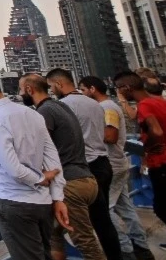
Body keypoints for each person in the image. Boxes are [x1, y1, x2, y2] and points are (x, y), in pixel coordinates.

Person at [0, 66, 69, 260]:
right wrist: (57, 197)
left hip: (14, 202)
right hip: (43, 203)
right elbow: (53, 159)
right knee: (44, 254)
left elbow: (14, 169)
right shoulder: (32, 114)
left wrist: (39, 178)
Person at [19, 74, 104, 260]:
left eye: (20, 89)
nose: (19, 94)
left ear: (29, 90)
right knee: (53, 236)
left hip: (70, 185)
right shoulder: (61, 106)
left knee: (85, 241)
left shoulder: (44, 113)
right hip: (86, 178)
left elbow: (39, 149)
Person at [47, 69, 123, 260]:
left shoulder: (61, 106)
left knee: (78, 231)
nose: (50, 90)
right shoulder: (97, 104)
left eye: (51, 86)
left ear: (58, 84)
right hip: (103, 164)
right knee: (103, 221)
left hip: (82, 168)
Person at [79, 76, 153, 260]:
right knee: (126, 208)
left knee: (106, 210)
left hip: (111, 163)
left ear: (92, 89)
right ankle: (141, 247)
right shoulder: (107, 107)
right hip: (117, 163)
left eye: (82, 89)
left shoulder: (107, 108)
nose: (81, 93)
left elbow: (111, 136)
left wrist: (87, 136)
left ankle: (125, 249)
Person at [114, 71, 166, 231]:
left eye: (119, 89)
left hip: (160, 161)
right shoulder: (159, 101)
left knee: (162, 207)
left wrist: (149, 147)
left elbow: (156, 131)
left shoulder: (144, 105)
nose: (118, 92)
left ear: (127, 88)